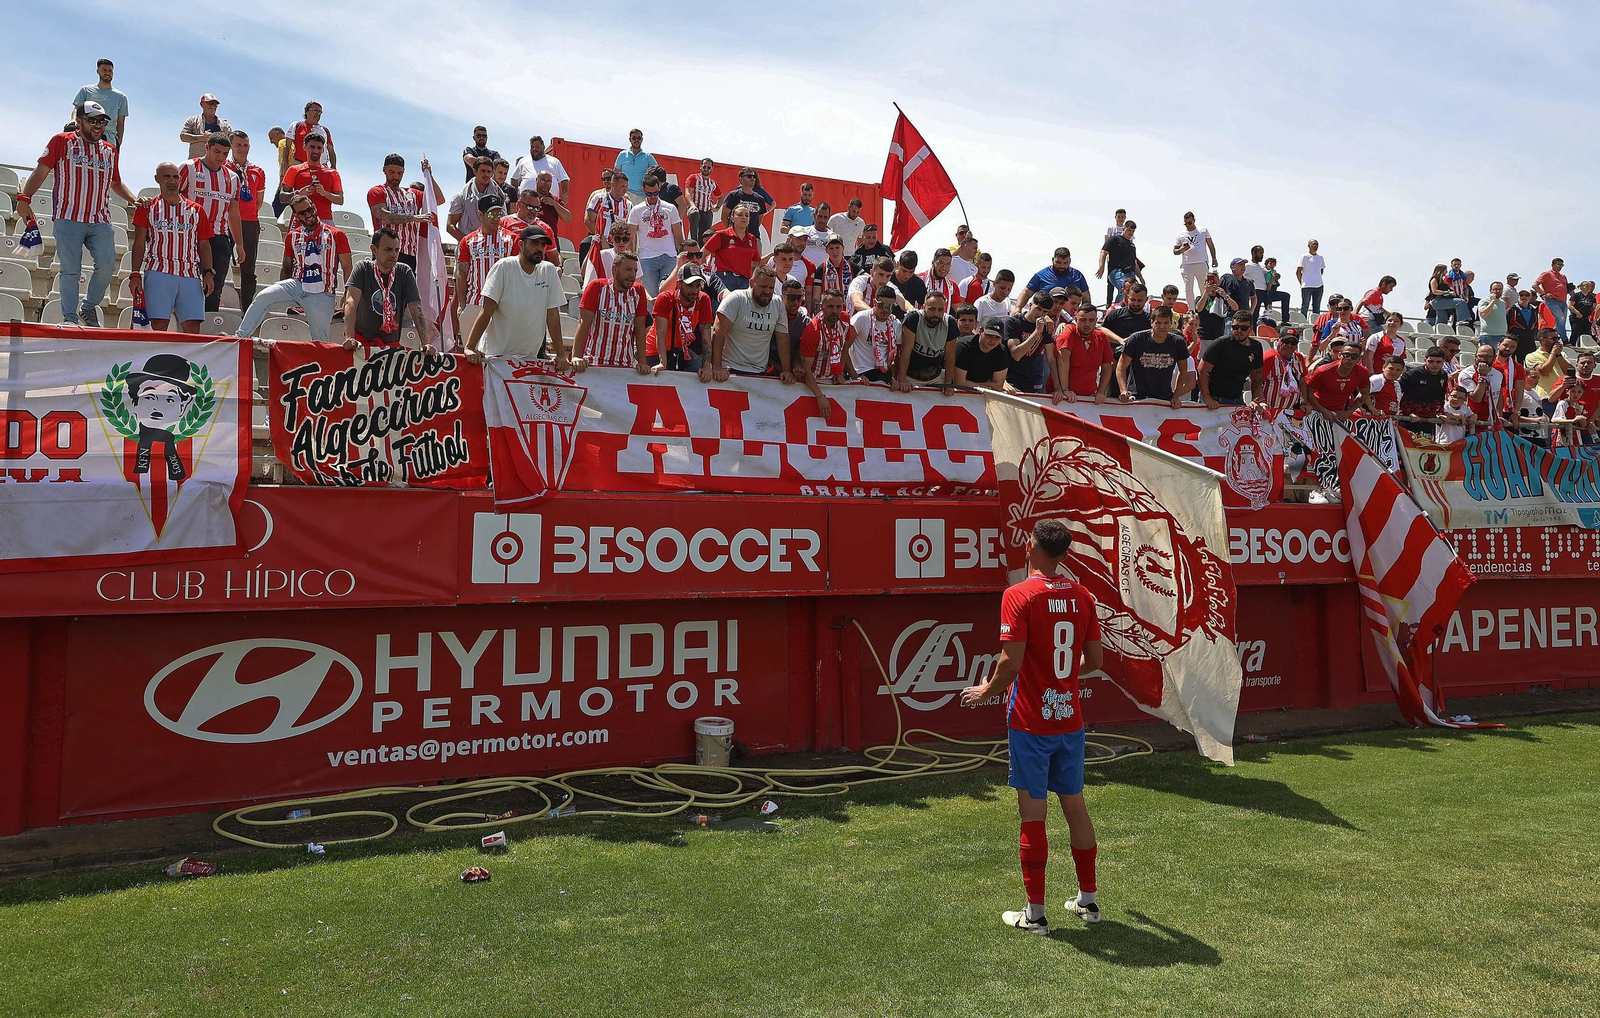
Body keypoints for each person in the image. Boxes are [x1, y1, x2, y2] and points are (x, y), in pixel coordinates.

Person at [959, 518, 1104, 935]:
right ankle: (1089, 902)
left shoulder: (1018, 595)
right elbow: (1094, 663)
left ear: (1032, 546)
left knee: (1033, 815)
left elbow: (1011, 663)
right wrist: (1061, 680)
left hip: (1030, 723)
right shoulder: (1083, 596)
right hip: (1069, 720)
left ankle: (1035, 914)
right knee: (1075, 805)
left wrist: (986, 691)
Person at [16, 102, 142, 327]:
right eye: (92, 120)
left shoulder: (109, 150)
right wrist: (25, 197)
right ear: (80, 121)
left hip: (99, 219)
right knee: (70, 270)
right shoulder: (61, 141)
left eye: (102, 121)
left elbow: (116, 182)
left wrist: (133, 199)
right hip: (68, 217)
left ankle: (88, 307)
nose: (98, 125)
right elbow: (41, 170)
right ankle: (70, 318)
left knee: (106, 266)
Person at [237, 197, 352, 343]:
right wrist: (281, 290)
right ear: (296, 216)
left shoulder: (336, 235)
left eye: (310, 209)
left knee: (320, 341)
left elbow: (347, 266)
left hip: (322, 291)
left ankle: (323, 364)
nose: (308, 214)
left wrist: (348, 293)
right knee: (262, 296)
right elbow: (287, 267)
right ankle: (239, 338)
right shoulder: (292, 236)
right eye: (302, 213)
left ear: (314, 207)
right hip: (297, 284)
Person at [463, 225, 565, 365]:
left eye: (542, 244)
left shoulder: (549, 271)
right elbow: (487, 311)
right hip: (495, 357)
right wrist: (470, 347)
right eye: (534, 243)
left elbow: (552, 315)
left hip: (530, 359)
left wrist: (561, 355)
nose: (540, 248)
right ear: (521, 245)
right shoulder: (503, 267)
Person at [129, 162, 212, 333]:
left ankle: (187, 360)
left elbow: (204, 244)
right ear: (157, 179)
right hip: (159, 271)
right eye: (167, 176)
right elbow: (139, 243)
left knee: (192, 327)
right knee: (158, 325)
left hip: (189, 274)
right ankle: (155, 360)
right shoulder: (148, 208)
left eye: (175, 177)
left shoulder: (196, 210)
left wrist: (209, 271)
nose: (172, 181)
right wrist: (135, 273)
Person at [178, 133, 245, 313]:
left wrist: (239, 244)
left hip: (219, 236)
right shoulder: (188, 168)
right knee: (188, 283)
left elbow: (233, 212)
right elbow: (173, 200)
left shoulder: (232, 178)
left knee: (215, 286)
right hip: (190, 234)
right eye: (217, 151)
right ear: (206, 147)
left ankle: (207, 328)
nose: (220, 157)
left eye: (225, 153)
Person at [342, 228, 433, 353]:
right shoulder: (362, 268)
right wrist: (350, 338)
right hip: (361, 344)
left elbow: (416, 308)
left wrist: (426, 343)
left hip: (390, 345)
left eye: (396, 250)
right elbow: (350, 302)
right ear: (374, 249)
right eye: (388, 249)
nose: (394, 255)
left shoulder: (404, 271)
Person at [704, 265, 790, 381]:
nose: (767, 291)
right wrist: (716, 367)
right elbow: (717, 332)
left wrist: (786, 371)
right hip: (730, 369)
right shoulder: (736, 299)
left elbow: (783, 339)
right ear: (751, 283)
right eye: (763, 287)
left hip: (760, 371)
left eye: (771, 288)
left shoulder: (778, 303)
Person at [571, 250, 650, 373]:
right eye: (628, 269)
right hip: (594, 362)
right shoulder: (597, 287)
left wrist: (642, 362)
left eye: (635, 271)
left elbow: (640, 330)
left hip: (625, 365)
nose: (632, 275)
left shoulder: (639, 291)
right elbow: (583, 324)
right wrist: (576, 356)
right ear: (614, 270)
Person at [451, 197, 515, 341]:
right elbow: (461, 274)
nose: (495, 218)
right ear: (480, 214)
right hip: (475, 303)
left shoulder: (512, 239)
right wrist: (462, 305)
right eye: (491, 214)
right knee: (472, 353)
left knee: (499, 355)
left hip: (503, 306)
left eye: (499, 214)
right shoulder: (468, 241)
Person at [367, 154, 443, 273]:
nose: (396, 176)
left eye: (399, 173)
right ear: (384, 170)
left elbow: (438, 199)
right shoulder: (377, 191)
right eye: (392, 172)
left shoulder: (412, 194)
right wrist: (413, 218)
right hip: (384, 251)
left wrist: (429, 175)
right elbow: (384, 217)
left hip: (409, 254)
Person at [1115, 306, 1195, 408]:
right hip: (1137, 397)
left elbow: (1183, 371)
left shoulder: (1177, 342)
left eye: (1166, 323)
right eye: (1158, 323)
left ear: (1171, 323)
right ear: (1152, 322)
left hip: (1164, 398)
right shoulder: (1136, 339)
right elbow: (1121, 367)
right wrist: (1123, 390)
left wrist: (1176, 395)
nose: (1162, 326)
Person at [226, 131, 268, 310]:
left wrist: (245, 214)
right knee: (218, 265)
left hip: (250, 222)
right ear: (231, 146)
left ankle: (247, 311)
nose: (242, 149)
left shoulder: (257, 171)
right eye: (238, 145)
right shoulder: (224, 168)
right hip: (225, 220)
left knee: (248, 270)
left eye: (245, 145)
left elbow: (258, 202)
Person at [627, 170, 685, 298]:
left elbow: (677, 234)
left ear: (659, 188)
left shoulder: (670, 208)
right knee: (651, 297)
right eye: (649, 193)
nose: (653, 196)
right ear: (643, 190)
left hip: (668, 256)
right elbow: (631, 237)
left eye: (655, 193)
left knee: (668, 295)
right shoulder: (636, 210)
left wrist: (680, 255)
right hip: (647, 258)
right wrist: (632, 257)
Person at [647, 265, 715, 372]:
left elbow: (706, 335)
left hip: (682, 350)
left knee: (698, 366)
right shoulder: (665, 298)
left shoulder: (703, 299)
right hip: (655, 349)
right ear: (678, 284)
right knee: (656, 375)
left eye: (698, 285)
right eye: (690, 285)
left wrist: (707, 365)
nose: (695, 290)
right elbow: (661, 333)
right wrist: (662, 363)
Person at [1199, 312, 1265, 408]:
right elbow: (1202, 370)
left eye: (1243, 328)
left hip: (1237, 399)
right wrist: (1207, 398)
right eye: (1235, 327)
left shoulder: (1256, 347)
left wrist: (1255, 400)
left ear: (1251, 329)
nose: (1238, 330)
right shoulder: (1221, 343)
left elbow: (1256, 378)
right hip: (1214, 399)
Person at [896, 291, 960, 387]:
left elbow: (950, 356)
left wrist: (947, 383)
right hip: (911, 376)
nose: (936, 314)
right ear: (924, 307)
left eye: (940, 310)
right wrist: (902, 380)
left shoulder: (950, 323)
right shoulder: (914, 319)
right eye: (932, 309)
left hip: (935, 375)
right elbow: (906, 352)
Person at [1056, 304, 1116, 404]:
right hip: (1065, 397)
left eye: (1091, 320)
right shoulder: (1069, 331)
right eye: (1083, 320)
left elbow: (1107, 366)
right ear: (1076, 319)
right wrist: (1065, 389)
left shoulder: (1101, 337)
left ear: (1096, 321)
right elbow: (1062, 360)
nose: (1087, 324)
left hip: (1089, 398)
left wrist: (1101, 391)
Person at [1004, 292, 1061, 396]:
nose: (1040, 314)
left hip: (1028, 381)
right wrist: (1036, 332)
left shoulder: (1045, 327)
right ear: (1030, 305)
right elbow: (1016, 355)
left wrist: (1058, 388)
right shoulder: (1013, 323)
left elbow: (1051, 359)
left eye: (1045, 312)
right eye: (1038, 309)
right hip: (1009, 379)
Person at [281, 131, 343, 224]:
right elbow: (282, 197)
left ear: (323, 150)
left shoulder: (333, 173)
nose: (316, 151)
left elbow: (340, 200)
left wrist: (324, 193)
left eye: (319, 148)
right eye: (312, 147)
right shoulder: (294, 170)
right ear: (304, 147)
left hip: (325, 220)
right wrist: (298, 194)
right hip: (300, 219)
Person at [1304, 342, 1375, 421]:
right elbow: (1308, 392)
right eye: (1346, 355)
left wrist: (1349, 412)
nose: (1349, 359)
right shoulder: (1323, 371)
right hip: (1316, 412)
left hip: (1340, 413)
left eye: (1354, 356)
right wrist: (1322, 410)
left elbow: (1364, 393)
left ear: (1359, 358)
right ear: (1340, 355)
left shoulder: (1362, 372)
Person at [849, 285, 904, 384]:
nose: (886, 310)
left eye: (890, 306)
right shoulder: (861, 318)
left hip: (883, 375)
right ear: (874, 303)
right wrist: (855, 376)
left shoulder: (896, 324)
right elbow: (844, 347)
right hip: (861, 373)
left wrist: (893, 378)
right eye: (882, 305)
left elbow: (896, 356)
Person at [797, 288, 853, 384]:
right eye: (830, 306)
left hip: (833, 380)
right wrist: (820, 397)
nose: (835, 311)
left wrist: (839, 372)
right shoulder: (812, 330)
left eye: (838, 307)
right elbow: (806, 370)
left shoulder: (845, 319)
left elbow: (845, 347)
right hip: (813, 380)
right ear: (821, 307)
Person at [72, 59, 128, 149]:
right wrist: (73, 121)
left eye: (110, 70)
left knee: (105, 162)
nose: (107, 73)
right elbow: (77, 109)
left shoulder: (121, 97)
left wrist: (119, 142)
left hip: (108, 138)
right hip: (87, 133)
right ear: (97, 71)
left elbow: (121, 122)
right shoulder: (86, 90)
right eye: (104, 70)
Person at [703, 204, 761, 291]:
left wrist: (772, 256)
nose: (744, 217)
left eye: (747, 215)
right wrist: (707, 275)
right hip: (724, 279)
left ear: (749, 220)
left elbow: (755, 262)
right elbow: (702, 254)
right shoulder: (721, 235)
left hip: (744, 281)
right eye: (740, 215)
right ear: (732, 218)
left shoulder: (752, 239)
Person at [1014, 247, 1089, 314]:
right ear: (1053, 260)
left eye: (1065, 263)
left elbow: (1086, 298)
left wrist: (1083, 314)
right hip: (1045, 316)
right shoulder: (1041, 275)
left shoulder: (1077, 276)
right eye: (1058, 262)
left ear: (1070, 261)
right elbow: (1026, 292)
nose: (1062, 266)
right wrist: (1018, 308)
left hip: (1069, 317)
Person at [1397, 347, 1453, 435]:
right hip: (1409, 420)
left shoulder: (1443, 376)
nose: (1434, 365)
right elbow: (1398, 395)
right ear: (1425, 360)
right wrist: (1408, 413)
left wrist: (1440, 413)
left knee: (1424, 447)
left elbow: (1440, 398)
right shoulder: (1412, 374)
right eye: (1431, 361)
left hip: (1428, 422)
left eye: (1438, 362)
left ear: (1443, 362)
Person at [448, 157, 506, 242]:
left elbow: (504, 221)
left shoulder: (498, 197)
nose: (486, 174)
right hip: (468, 246)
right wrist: (468, 242)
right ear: (475, 171)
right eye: (483, 171)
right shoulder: (460, 197)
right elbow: (450, 226)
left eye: (489, 171)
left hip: (495, 245)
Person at [949, 317, 1013, 392]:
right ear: (980, 331)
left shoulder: (1001, 350)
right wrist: (987, 387)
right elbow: (960, 383)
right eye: (989, 335)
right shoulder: (963, 347)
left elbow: (998, 385)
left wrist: (978, 386)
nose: (992, 340)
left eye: (997, 337)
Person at [1259, 329, 1307, 416]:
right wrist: (1261, 402)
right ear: (1278, 340)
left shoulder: (1298, 358)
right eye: (1286, 341)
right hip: (1268, 411)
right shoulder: (1269, 357)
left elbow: (1302, 382)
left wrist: (1303, 402)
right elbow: (1257, 382)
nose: (1289, 345)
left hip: (1289, 412)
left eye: (1293, 343)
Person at [509, 136, 569, 205]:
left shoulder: (554, 161)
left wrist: (565, 193)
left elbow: (564, 178)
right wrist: (515, 194)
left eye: (537, 147)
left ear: (543, 147)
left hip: (549, 203)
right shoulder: (523, 161)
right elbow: (514, 179)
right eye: (532, 147)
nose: (534, 149)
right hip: (526, 204)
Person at [1455, 344, 1507, 425]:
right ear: (1475, 356)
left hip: (1491, 421)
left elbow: (1498, 394)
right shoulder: (1466, 373)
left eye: (1487, 357)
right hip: (1472, 421)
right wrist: (1482, 376)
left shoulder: (1499, 373)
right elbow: (1476, 398)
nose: (1483, 359)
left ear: (1494, 357)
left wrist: (1499, 415)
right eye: (1480, 356)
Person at [1174, 212, 1218, 306]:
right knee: (1188, 288)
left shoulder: (1203, 230)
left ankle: (1208, 308)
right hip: (1187, 264)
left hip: (1201, 262)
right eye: (1186, 223)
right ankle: (1191, 310)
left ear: (1194, 220)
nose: (1188, 225)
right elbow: (1175, 251)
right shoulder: (1180, 234)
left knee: (1205, 287)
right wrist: (1181, 250)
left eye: (1190, 223)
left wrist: (1214, 258)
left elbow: (1210, 245)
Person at [1523, 329, 1571, 413]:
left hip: (1563, 397)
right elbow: (1544, 371)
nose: (1556, 341)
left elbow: (1570, 371)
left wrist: (1558, 355)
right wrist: (1553, 354)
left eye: (1558, 338)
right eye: (1553, 338)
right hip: (1546, 397)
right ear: (1542, 340)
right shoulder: (1532, 356)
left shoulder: (1562, 355)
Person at [1097, 221, 1143, 306]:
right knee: (1125, 289)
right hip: (1117, 271)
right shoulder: (1115, 239)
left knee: (1134, 292)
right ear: (1123, 229)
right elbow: (1103, 252)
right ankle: (1117, 309)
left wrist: (1140, 277)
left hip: (1130, 272)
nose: (1131, 233)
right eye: (1129, 230)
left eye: (1133, 231)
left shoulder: (1132, 246)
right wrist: (1101, 267)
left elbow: (1134, 262)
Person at [682, 158, 721, 244]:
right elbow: (688, 193)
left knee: (705, 236)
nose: (706, 169)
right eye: (704, 167)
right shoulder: (694, 178)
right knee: (694, 213)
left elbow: (720, 197)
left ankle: (701, 251)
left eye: (708, 167)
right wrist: (692, 205)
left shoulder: (712, 183)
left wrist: (717, 207)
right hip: (695, 208)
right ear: (700, 167)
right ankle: (693, 241)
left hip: (707, 210)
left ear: (712, 169)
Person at [179, 94, 230, 159]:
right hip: (197, 165)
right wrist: (203, 137)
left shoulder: (225, 124)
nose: (212, 106)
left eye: (215, 104)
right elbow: (183, 137)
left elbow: (232, 143)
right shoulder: (193, 120)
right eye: (209, 103)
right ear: (201, 104)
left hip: (218, 165)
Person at [811, 235, 854, 308]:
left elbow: (868, 279)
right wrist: (817, 312)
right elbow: (816, 297)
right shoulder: (821, 269)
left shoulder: (852, 266)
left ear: (843, 248)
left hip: (849, 312)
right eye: (831, 248)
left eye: (837, 248)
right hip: (828, 312)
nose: (834, 251)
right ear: (826, 250)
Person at [1534, 259, 1571, 343]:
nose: (1560, 267)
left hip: (1563, 301)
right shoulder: (1546, 274)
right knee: (1560, 319)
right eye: (1558, 265)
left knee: (1562, 321)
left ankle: (1553, 336)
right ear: (1553, 265)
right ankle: (1565, 340)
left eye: (1562, 265)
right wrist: (1543, 294)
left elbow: (1566, 287)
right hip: (1552, 300)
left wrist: (1571, 291)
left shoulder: (1563, 276)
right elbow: (1535, 285)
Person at [614, 129, 657, 201]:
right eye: (634, 138)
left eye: (639, 138)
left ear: (642, 140)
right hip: (626, 194)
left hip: (643, 196)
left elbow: (657, 172)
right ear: (630, 139)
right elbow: (616, 175)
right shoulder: (622, 155)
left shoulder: (647, 156)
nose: (636, 140)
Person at [292, 102, 336, 167]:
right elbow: (287, 147)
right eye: (315, 110)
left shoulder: (325, 131)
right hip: (299, 165)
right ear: (307, 111)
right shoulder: (296, 126)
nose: (317, 114)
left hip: (321, 167)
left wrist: (333, 167)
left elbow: (331, 150)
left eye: (320, 112)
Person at [1220, 258, 1258, 329]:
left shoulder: (1248, 282)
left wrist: (1251, 312)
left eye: (1244, 264)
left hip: (1245, 319)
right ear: (1232, 267)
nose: (1243, 266)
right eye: (1240, 264)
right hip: (1230, 318)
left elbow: (1254, 297)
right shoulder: (1226, 278)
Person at [1506, 290, 1541, 361]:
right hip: (1516, 342)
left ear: (1530, 297)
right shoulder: (1512, 310)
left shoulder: (1534, 310)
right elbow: (1506, 326)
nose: (1524, 297)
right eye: (1521, 295)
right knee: (1516, 364)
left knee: (1531, 363)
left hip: (1530, 342)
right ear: (1518, 297)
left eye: (1527, 295)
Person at [268, 126, 293, 217]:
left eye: (271, 138)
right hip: (296, 182)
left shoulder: (282, 142)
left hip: (287, 181)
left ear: (277, 134)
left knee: (274, 212)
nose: (271, 142)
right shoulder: (293, 144)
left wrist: (282, 181)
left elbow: (284, 161)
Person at [1297, 239, 1325, 316]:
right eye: (1314, 244)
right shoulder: (1304, 257)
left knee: (1317, 307)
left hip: (1319, 285)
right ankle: (1303, 321)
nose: (1315, 246)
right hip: (1307, 285)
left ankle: (1316, 323)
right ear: (1309, 245)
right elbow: (1298, 271)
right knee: (1305, 306)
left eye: (1317, 244)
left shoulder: (1320, 258)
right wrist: (1302, 282)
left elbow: (1321, 270)